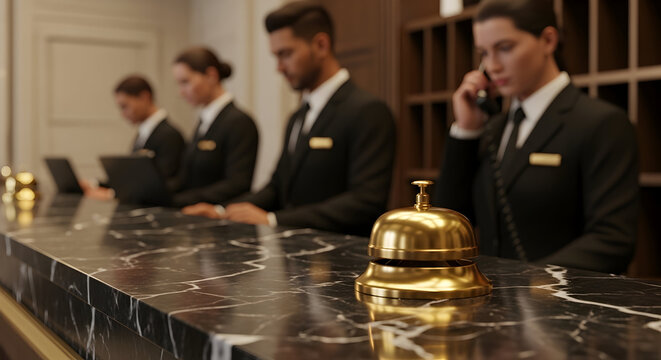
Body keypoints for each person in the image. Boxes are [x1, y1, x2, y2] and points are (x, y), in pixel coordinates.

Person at [434, 0, 638, 273]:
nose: (492, 66)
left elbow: (613, 240)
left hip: (564, 308)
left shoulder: (601, 123)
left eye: (504, 48)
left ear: (548, 40)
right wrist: (466, 131)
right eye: (483, 53)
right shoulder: (492, 129)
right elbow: (448, 223)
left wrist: (528, 282)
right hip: (493, 307)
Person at [183, 2, 396, 236]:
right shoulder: (297, 116)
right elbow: (277, 187)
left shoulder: (368, 111)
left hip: (343, 263)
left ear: (321, 45)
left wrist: (274, 219)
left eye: (286, 54)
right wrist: (222, 211)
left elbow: (366, 202)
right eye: (276, 56)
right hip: (296, 259)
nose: (279, 67)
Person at [169, 47, 259, 207]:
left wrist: (179, 201)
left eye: (185, 82)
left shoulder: (239, 122)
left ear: (211, 76)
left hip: (221, 221)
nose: (181, 92)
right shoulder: (205, 121)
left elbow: (237, 184)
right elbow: (187, 177)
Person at [81, 75, 185, 199]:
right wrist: (95, 184)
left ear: (144, 97)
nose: (123, 114)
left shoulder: (169, 135)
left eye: (125, 106)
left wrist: (112, 194)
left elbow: (161, 184)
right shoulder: (144, 133)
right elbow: (133, 177)